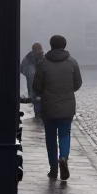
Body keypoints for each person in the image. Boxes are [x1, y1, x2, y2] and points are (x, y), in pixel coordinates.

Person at [33, 34, 83, 182]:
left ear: (51, 45)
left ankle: (53, 169)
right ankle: (63, 158)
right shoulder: (72, 62)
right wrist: (67, 90)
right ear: (64, 45)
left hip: (48, 106)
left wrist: (43, 93)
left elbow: (36, 86)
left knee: (50, 137)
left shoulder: (43, 64)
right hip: (67, 106)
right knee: (64, 134)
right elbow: (78, 83)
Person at [21, 43, 45, 117]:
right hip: (39, 82)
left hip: (33, 82)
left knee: (36, 98)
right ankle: (38, 113)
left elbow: (21, 69)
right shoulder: (43, 57)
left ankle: (38, 113)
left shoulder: (27, 57)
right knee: (38, 98)